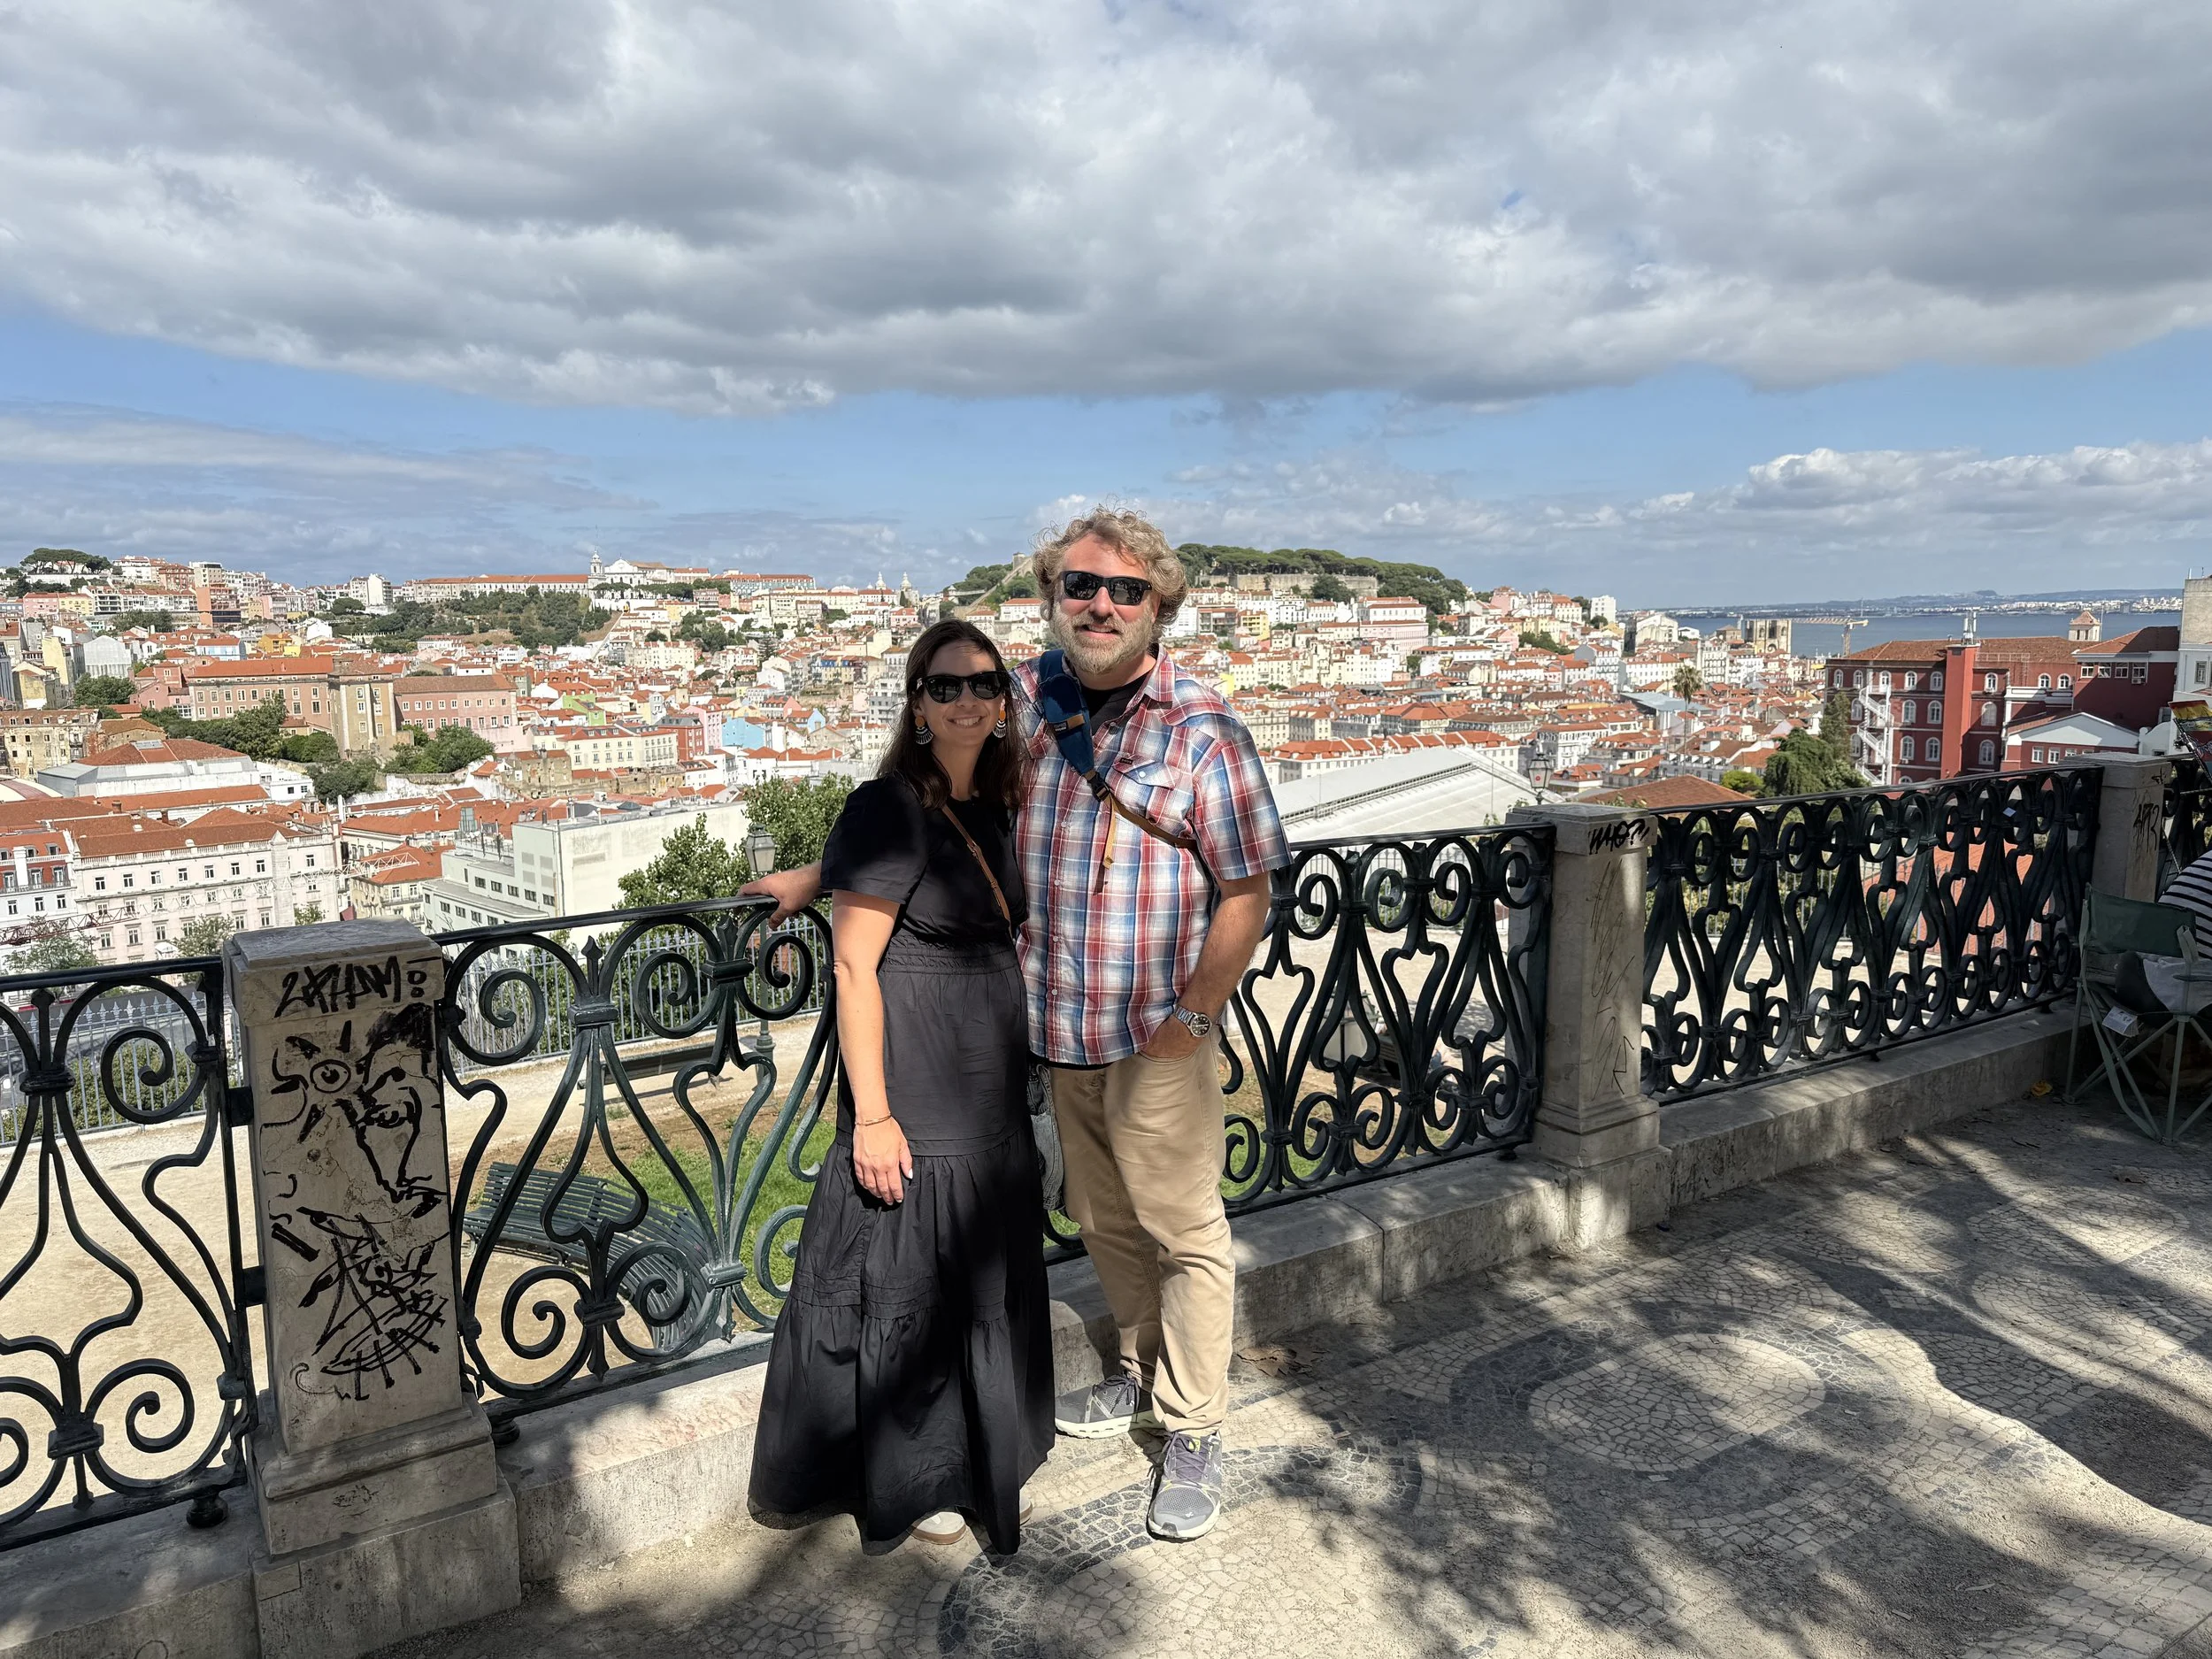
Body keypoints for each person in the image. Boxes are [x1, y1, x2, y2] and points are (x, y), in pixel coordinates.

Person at [749, 509, 1287, 1543]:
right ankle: (1138, 1376)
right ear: (1052, 597)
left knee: (1186, 1234)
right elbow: (947, 809)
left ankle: (1195, 1427)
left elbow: (1246, 894)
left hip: (1155, 1036)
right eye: (1080, 586)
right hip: (1052, 1034)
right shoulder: (1030, 697)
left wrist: (1191, 1017)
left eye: (1125, 590)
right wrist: (820, 876)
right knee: (1107, 1225)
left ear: (1159, 606)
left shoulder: (1204, 731)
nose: (1100, 605)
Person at [747, 619, 1053, 1555]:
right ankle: (915, 1479)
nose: (967, 702)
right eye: (945, 687)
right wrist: (872, 1116)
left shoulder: (1004, 798)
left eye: (984, 687)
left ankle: (977, 1458)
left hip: (988, 1075)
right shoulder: (887, 804)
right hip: (917, 1074)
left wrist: (812, 872)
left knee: (974, 1265)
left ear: (1004, 703)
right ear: (915, 705)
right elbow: (852, 970)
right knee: (912, 1271)